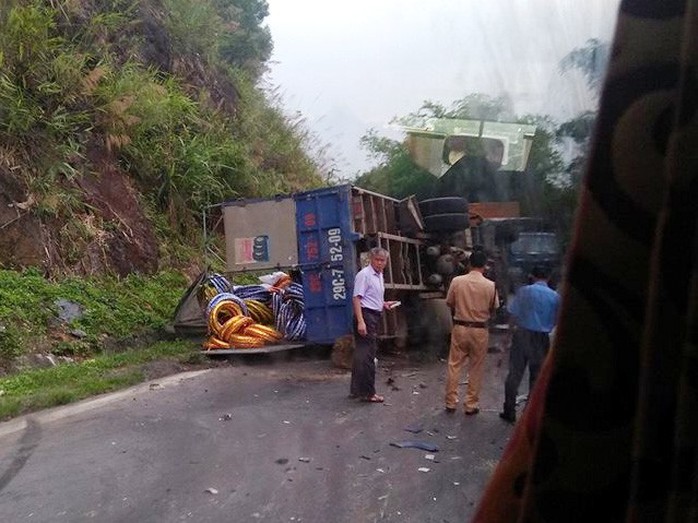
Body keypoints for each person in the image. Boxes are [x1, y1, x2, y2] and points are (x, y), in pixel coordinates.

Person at [499, 265, 560, 424]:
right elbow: (556, 320)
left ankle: (509, 411)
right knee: (537, 377)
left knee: (514, 374)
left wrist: (507, 336)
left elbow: (514, 316)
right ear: (548, 277)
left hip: (522, 335)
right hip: (541, 338)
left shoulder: (524, 292)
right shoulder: (555, 296)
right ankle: (530, 416)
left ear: (532, 276)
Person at [444, 248, 499, 415]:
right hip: (480, 330)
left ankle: (451, 402)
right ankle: (470, 405)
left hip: (460, 327)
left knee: (454, 365)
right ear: (484, 266)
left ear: (469, 264)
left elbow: (449, 303)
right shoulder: (491, 285)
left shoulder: (457, 281)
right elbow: (494, 307)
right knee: (476, 367)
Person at [350, 247, 396, 403]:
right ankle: (369, 393)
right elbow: (357, 298)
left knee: (361, 355)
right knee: (368, 356)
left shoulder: (379, 275)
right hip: (365, 316)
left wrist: (383, 304)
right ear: (371, 259)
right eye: (377, 260)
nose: (380, 263)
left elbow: (370, 296)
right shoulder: (364, 275)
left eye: (383, 261)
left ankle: (356, 390)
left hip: (373, 314)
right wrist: (361, 321)